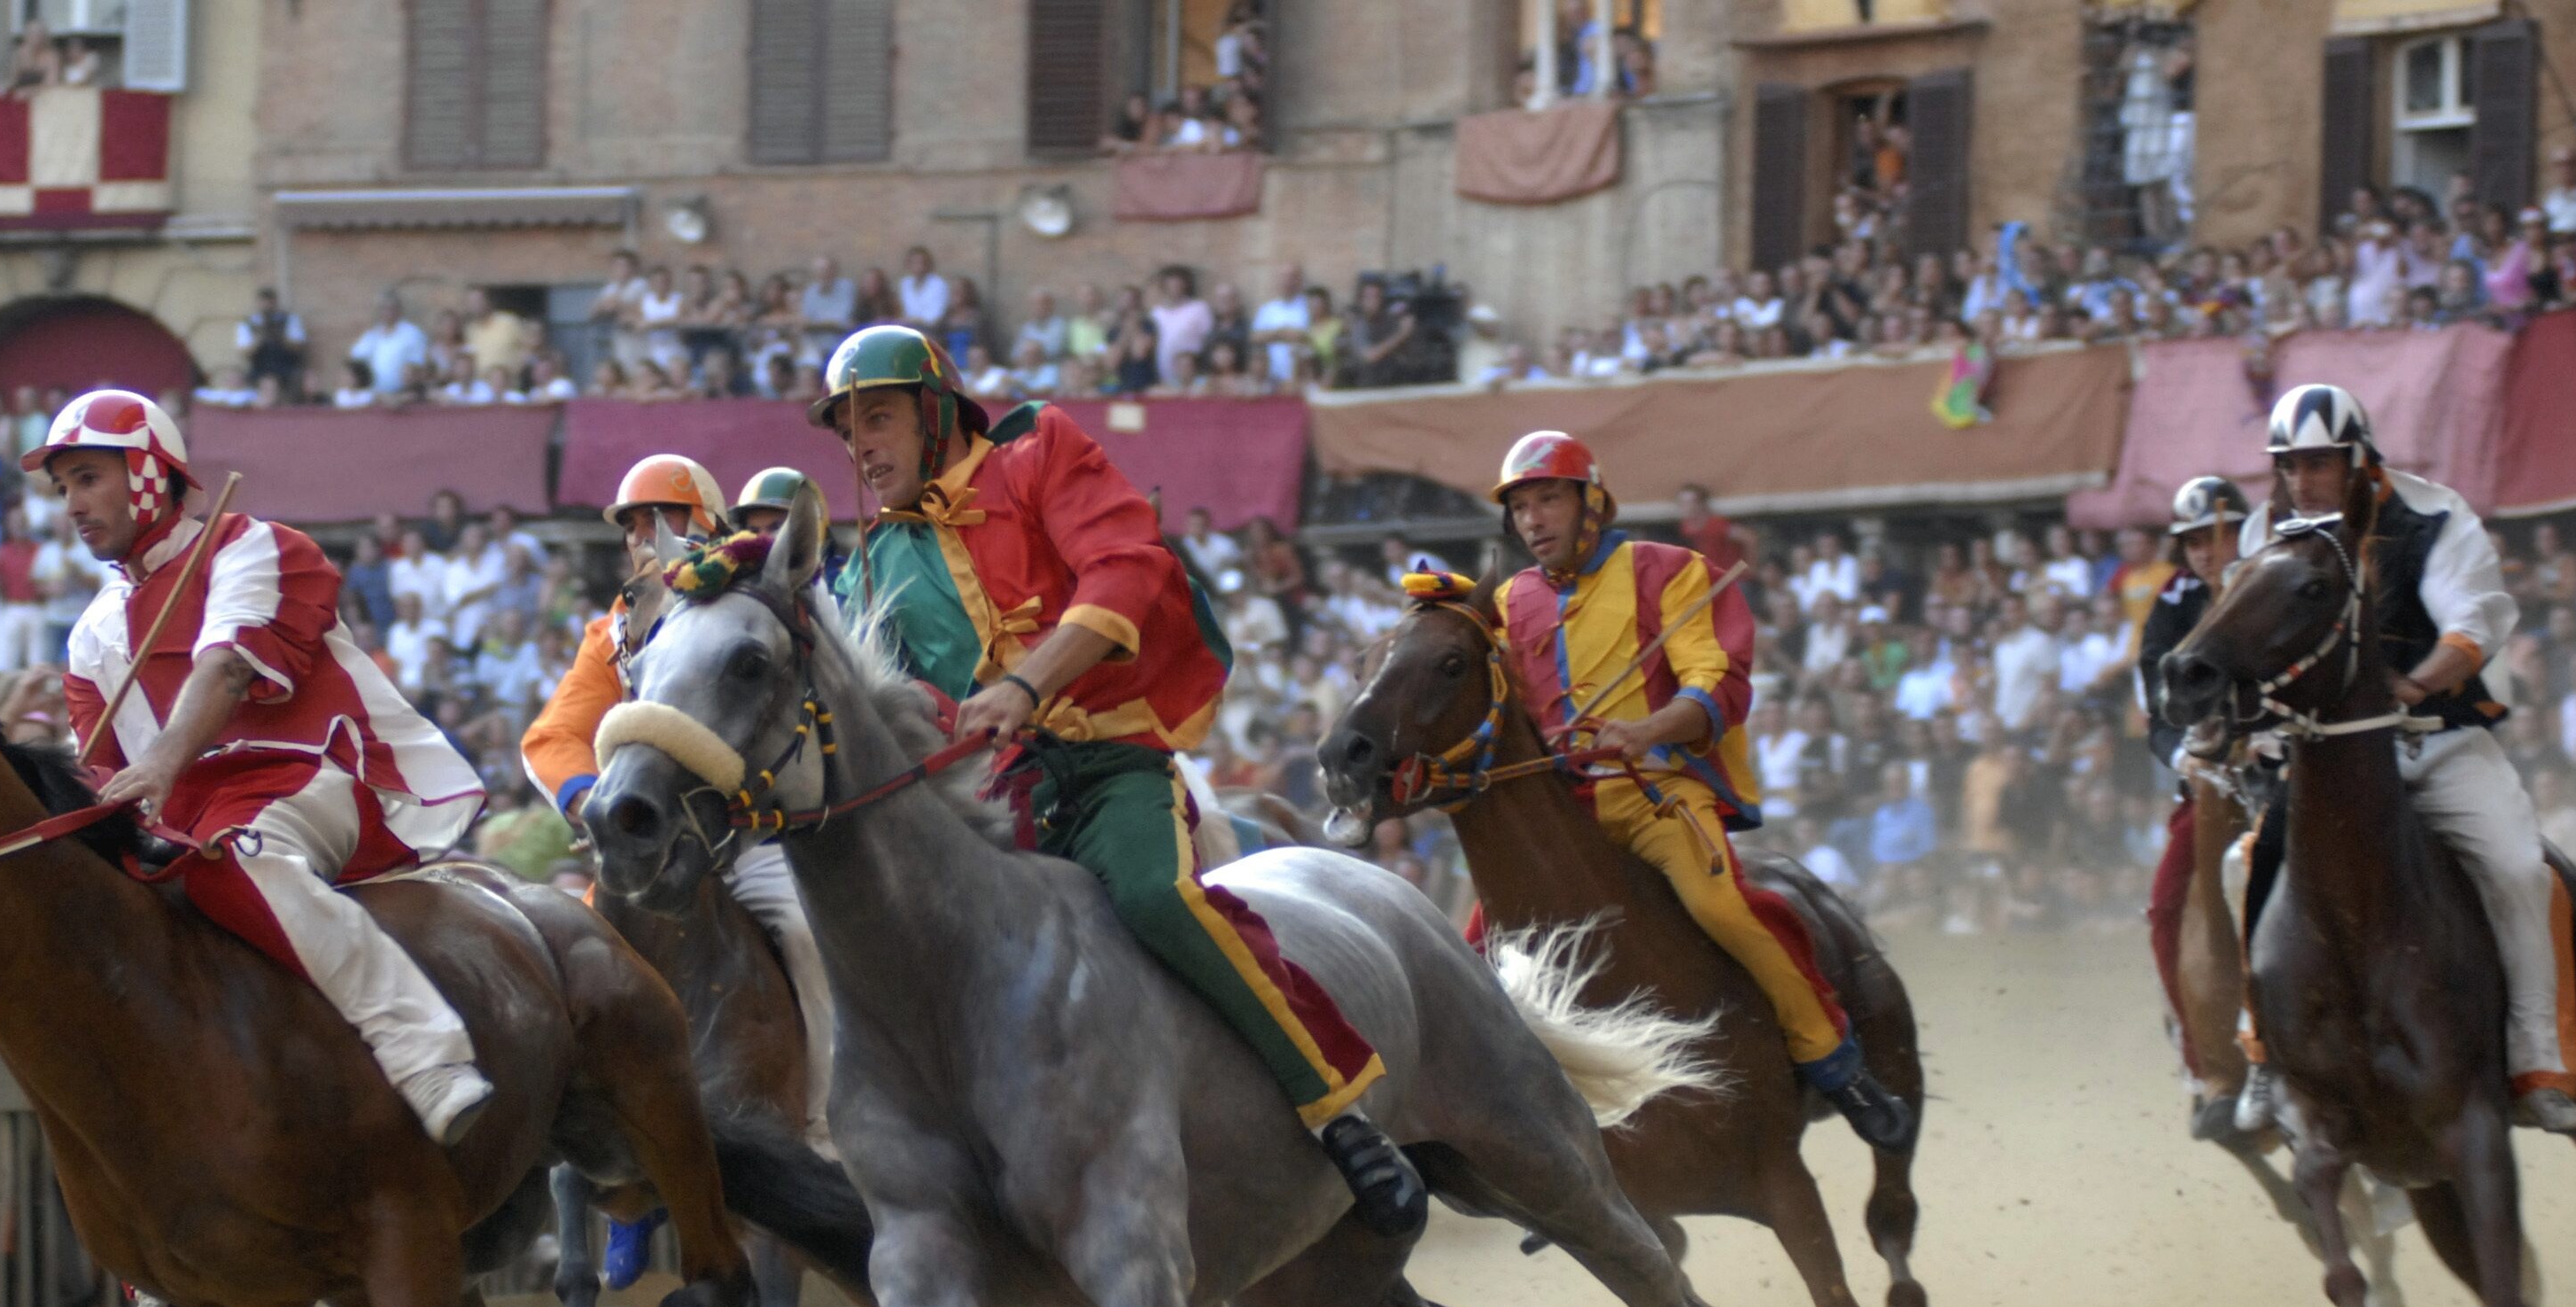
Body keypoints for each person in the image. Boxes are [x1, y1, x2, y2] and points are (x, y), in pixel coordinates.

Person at [812, 323, 1426, 1231]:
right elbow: (893, 709)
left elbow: (1126, 569)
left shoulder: (1036, 452)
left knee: (1151, 897)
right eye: (847, 428)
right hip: (998, 800)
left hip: (1109, 760)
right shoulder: (868, 566)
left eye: (880, 418)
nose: (861, 445)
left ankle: (1335, 1108)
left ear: (936, 411)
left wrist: (1026, 682)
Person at [28, 390, 493, 1307]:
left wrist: (157, 775)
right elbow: (102, 768)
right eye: (64, 485)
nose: (72, 503)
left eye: (87, 477)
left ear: (149, 471)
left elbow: (227, 678)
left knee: (238, 854)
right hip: (185, 822)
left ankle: (429, 1052)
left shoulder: (253, 547)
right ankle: (162, 1270)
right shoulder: (91, 633)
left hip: (307, 777)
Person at [1477, 429, 1910, 1143]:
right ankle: (1533, 1145)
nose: (1532, 520)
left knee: (1724, 908)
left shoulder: (1669, 570)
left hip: (1654, 792)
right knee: (1475, 957)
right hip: (1558, 818)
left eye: (1548, 498)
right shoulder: (1509, 601)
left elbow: (1717, 684)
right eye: (1520, 506)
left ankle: (1833, 1061)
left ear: (1591, 504)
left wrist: (1645, 731)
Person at [2235, 382, 2576, 1133]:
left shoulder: (2434, 516)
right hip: (2330, 760)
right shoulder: (2266, 530)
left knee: (2521, 869)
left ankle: (2537, 1057)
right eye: (2290, 464)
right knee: (2247, 860)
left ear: (2360, 459)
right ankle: (2262, 1053)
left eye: (2319, 463)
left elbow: (2474, 626)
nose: (2302, 481)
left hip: (2440, 740)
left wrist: (2416, 681)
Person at [521, 455, 840, 1159]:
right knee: (569, 968)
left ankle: (820, 1124)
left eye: (657, 518)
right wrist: (592, 803)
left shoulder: (759, 598)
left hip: (749, 841)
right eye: (632, 525)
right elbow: (553, 737)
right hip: (649, 839)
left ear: (702, 521)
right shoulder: (615, 629)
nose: (643, 537)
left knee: (806, 932)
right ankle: (583, 1157)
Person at [2133, 476, 2246, 1139]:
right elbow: (2157, 711)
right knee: (2167, 906)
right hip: (2208, 782)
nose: (2210, 550)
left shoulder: (2282, 574)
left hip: (2290, 764)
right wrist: (2188, 759)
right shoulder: (2172, 604)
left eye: (2222, 534)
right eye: (2197, 540)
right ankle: (2203, 1063)